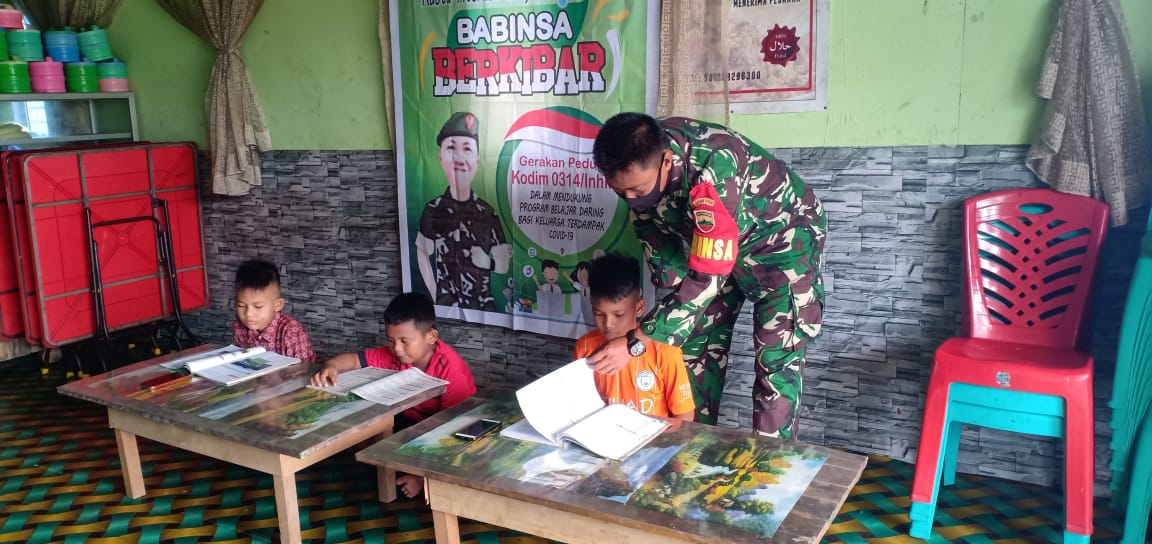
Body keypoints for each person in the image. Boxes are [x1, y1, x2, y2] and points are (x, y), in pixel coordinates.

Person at [588, 113, 826, 439]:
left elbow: (705, 279)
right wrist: (664, 324)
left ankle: (771, 472)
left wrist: (633, 344)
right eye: (620, 190)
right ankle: (690, 453)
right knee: (694, 347)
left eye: (637, 189)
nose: (630, 198)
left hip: (783, 251)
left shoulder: (714, 170)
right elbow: (663, 256)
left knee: (775, 363)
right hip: (714, 251)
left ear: (666, 161)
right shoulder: (637, 159)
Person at [309, 292, 477, 498]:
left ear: (431, 337)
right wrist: (330, 367)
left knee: (461, 450)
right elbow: (353, 360)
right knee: (365, 433)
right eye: (391, 340)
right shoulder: (395, 355)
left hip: (450, 425)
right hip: (409, 422)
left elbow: (457, 423)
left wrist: (422, 471)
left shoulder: (449, 368)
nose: (396, 348)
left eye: (404, 341)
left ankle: (421, 479)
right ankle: (397, 469)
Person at [574, 253, 695, 421]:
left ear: (639, 307)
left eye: (619, 314)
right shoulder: (584, 347)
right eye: (599, 313)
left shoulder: (665, 351)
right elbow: (580, 406)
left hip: (653, 444)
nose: (608, 324)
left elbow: (684, 417)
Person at [415, 112, 512, 311]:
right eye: (451, 148)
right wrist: (435, 293)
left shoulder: (486, 211)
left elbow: (504, 265)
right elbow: (422, 252)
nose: (459, 157)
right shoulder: (434, 209)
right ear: (440, 157)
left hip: (484, 307)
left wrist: (488, 263)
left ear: (477, 159)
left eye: (467, 149)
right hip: (446, 305)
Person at [232, 259, 316, 363]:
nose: (248, 313)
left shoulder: (290, 331)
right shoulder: (239, 328)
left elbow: (302, 371)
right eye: (241, 305)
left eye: (258, 306)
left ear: (277, 305)